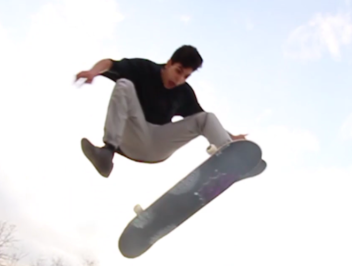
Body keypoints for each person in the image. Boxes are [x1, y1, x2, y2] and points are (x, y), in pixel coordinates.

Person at [75, 45, 254, 178]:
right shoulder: (144, 69)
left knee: (207, 117)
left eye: (186, 76)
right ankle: (106, 153)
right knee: (124, 84)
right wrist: (93, 72)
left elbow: (205, 122)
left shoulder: (184, 93)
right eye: (178, 71)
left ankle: (231, 156)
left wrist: (232, 138)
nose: (179, 80)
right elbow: (110, 63)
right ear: (169, 63)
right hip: (131, 138)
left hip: (158, 146)